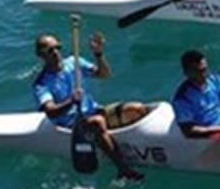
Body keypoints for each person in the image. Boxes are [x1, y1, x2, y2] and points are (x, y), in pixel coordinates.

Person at [32, 33, 148, 180]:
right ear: (40, 55)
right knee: (97, 122)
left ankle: (124, 142)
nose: (56, 52)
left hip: (92, 110)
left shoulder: (73, 62)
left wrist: (98, 54)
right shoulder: (41, 84)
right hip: (71, 124)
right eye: (50, 50)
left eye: (57, 48)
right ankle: (123, 168)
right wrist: (71, 101)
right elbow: (51, 112)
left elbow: (104, 74)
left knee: (136, 109)